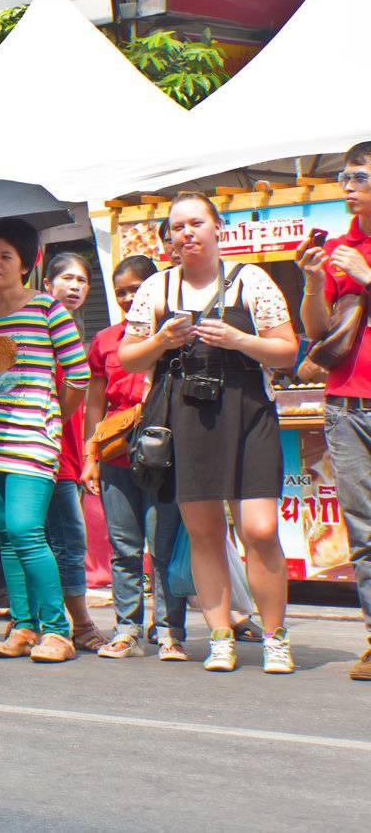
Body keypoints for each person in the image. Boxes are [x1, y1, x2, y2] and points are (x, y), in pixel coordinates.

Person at [119, 192, 297, 673]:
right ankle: (220, 637)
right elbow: (127, 357)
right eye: (177, 227)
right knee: (203, 533)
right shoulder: (157, 287)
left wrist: (239, 340)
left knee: (260, 530)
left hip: (249, 414)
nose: (186, 233)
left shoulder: (251, 279)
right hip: (187, 420)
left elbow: (287, 351)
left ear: (219, 227)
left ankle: (275, 636)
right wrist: (162, 339)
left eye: (196, 223)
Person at [0, 218, 90, 664]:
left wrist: (51, 418)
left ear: (25, 263)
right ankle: (23, 626)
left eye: (6, 256)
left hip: (33, 440)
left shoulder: (48, 309)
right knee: (5, 536)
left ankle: (57, 630)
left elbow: (79, 376)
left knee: (26, 530)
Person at [80, 256, 189, 661]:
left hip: (164, 453)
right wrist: (91, 453)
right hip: (116, 454)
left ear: (155, 288)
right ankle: (126, 629)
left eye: (136, 288)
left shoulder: (176, 335)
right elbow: (95, 401)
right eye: (121, 290)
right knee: (124, 548)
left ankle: (170, 632)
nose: (128, 297)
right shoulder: (106, 340)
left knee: (164, 547)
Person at [300, 144, 371, 681]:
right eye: (344, 177)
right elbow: (318, 331)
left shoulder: (358, 258)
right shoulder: (341, 247)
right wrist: (310, 279)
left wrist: (366, 277)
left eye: (359, 177)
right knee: (364, 528)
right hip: (346, 403)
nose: (347, 186)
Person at [42, 252, 109, 652]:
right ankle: (77, 624)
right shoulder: (39, 331)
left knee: (64, 542)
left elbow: (89, 409)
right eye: (67, 278)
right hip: (40, 452)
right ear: (49, 283)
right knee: (62, 541)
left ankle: (56, 622)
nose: (75, 287)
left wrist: (88, 455)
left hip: (68, 455)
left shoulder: (83, 338)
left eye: (82, 281)